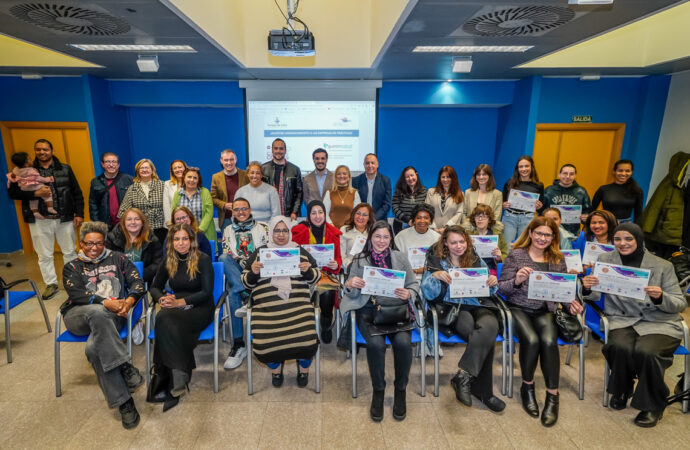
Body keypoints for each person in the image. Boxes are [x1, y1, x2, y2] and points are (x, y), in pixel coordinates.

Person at [582, 223, 687, 428]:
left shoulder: (663, 266)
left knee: (647, 352)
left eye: (628, 239)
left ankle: (653, 405)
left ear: (639, 240)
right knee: (618, 347)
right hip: (622, 318)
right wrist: (586, 287)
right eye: (618, 239)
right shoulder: (604, 261)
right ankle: (623, 388)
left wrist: (660, 297)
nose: (622, 243)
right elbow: (594, 295)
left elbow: (679, 303)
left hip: (659, 321)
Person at [497, 216, 583, 427]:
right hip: (518, 308)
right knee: (531, 340)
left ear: (554, 237)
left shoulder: (557, 258)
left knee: (548, 341)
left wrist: (573, 302)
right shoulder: (517, 255)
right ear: (531, 233)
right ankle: (528, 387)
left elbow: (564, 290)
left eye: (548, 234)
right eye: (539, 233)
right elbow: (502, 289)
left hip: (546, 309)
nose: (543, 238)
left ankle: (553, 396)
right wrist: (517, 279)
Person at [60, 221, 145, 429]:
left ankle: (124, 402)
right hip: (78, 315)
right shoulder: (72, 266)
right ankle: (125, 365)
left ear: (104, 242)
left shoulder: (118, 258)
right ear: (81, 244)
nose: (94, 248)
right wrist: (106, 302)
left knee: (94, 349)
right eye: (89, 244)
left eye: (98, 243)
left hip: (112, 316)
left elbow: (137, 283)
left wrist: (129, 301)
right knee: (98, 311)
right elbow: (77, 294)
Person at [342, 220, 420, 422]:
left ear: (391, 238)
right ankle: (378, 389)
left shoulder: (400, 258)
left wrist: (409, 292)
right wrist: (350, 284)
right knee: (375, 345)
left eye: (386, 237)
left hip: (396, 310)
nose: (382, 241)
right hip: (369, 311)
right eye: (377, 236)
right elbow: (349, 292)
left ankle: (400, 389)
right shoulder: (359, 260)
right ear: (371, 238)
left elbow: (412, 283)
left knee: (403, 344)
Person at [420, 225, 505, 412]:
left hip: (479, 304)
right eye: (453, 242)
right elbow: (426, 292)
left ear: (467, 241)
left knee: (490, 327)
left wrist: (492, 282)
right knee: (483, 339)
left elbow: (490, 290)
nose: (458, 246)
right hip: (455, 308)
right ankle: (484, 392)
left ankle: (463, 376)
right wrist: (435, 277)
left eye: (461, 241)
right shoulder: (436, 261)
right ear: (445, 244)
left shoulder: (475, 259)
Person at [241, 216, 320, 388]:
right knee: (264, 346)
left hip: (298, 308)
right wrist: (253, 272)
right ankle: (276, 369)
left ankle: (303, 368)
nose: (281, 235)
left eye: (285, 230)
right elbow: (245, 282)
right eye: (277, 230)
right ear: (271, 232)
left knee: (307, 341)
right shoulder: (260, 252)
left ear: (289, 232)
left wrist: (308, 271)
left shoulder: (299, 251)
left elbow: (316, 277)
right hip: (266, 310)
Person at [149, 223, 215, 411]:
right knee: (165, 319)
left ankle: (164, 375)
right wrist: (161, 298)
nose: (181, 243)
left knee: (164, 320)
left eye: (185, 238)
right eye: (176, 239)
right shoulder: (168, 260)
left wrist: (180, 302)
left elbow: (207, 292)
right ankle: (178, 379)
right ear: (171, 242)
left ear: (192, 240)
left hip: (200, 308)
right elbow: (154, 287)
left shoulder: (203, 259)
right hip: (176, 307)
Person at [7, 139, 84, 300]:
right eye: (38, 150)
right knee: (44, 255)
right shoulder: (24, 170)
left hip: (64, 218)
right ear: (35, 152)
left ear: (52, 151)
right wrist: (35, 194)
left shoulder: (65, 169)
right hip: (39, 220)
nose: (42, 152)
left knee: (70, 251)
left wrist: (79, 214)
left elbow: (76, 192)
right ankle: (51, 284)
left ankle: (74, 281)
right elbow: (13, 194)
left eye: (45, 149)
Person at [219, 197, 269, 370]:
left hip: (258, 272)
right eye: (237, 209)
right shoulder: (227, 230)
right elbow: (228, 252)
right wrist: (242, 266)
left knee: (232, 292)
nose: (241, 212)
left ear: (249, 210)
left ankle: (239, 343)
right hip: (237, 272)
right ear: (233, 212)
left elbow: (265, 251)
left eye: (244, 209)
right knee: (223, 258)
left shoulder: (262, 228)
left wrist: (250, 266)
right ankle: (239, 345)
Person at [292, 200, 342, 343]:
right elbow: (294, 256)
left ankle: (326, 323)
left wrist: (335, 264)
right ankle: (305, 325)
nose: (317, 216)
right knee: (300, 293)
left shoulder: (333, 233)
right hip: (304, 275)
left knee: (327, 293)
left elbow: (338, 257)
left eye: (320, 212)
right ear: (308, 216)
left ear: (325, 214)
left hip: (326, 274)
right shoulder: (299, 232)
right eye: (313, 213)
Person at [641, 152, 690, 259]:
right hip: (667, 236)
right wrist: (647, 229)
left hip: (680, 236)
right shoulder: (670, 185)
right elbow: (655, 208)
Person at [106, 207, 162, 284]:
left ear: (142, 223)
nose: (133, 222)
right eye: (129, 219)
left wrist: (139, 275)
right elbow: (107, 262)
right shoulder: (111, 238)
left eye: (137, 219)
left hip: (143, 280)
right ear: (123, 223)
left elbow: (158, 263)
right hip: (117, 281)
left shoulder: (152, 240)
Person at [117, 159, 167, 244]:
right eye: (141, 168)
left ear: (152, 170)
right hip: (141, 230)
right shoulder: (132, 188)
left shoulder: (163, 185)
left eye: (147, 167)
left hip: (161, 229)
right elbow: (122, 211)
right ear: (138, 171)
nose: (144, 170)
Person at [501, 156, 544, 243]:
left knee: (523, 247)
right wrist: (504, 205)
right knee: (506, 246)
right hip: (510, 217)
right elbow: (503, 201)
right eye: (521, 167)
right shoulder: (509, 183)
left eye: (527, 166)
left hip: (527, 218)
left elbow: (541, 204)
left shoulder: (539, 185)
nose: (524, 169)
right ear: (517, 169)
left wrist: (539, 206)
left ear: (532, 167)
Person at [542, 164, 592, 236]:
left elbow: (588, 210)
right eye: (565, 173)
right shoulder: (549, 190)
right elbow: (542, 211)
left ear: (575, 176)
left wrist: (586, 217)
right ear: (559, 175)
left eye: (571, 174)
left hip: (573, 232)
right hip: (550, 230)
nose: (568, 176)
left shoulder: (581, 191)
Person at [394, 203, 440, 279]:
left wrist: (428, 269)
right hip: (407, 277)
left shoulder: (437, 238)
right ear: (414, 220)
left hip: (430, 277)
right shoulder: (401, 236)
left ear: (430, 220)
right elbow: (396, 261)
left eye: (426, 218)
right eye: (418, 217)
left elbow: (439, 263)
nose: (422, 221)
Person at [261, 138, 303, 220]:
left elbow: (299, 193)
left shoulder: (295, 169)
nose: (278, 151)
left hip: (289, 215)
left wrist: (294, 212)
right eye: (276, 148)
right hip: (269, 215)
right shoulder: (263, 169)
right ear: (272, 150)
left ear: (285, 150)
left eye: (281, 148)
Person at [88, 152, 133, 229]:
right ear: (102, 164)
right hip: (106, 225)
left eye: (114, 162)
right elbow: (93, 204)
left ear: (118, 164)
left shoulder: (129, 180)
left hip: (126, 223)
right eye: (107, 162)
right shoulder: (96, 181)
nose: (111, 165)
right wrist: (96, 223)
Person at [592, 159, 644, 225]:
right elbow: (592, 210)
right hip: (605, 226)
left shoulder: (637, 191)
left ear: (631, 172)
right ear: (614, 171)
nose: (623, 173)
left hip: (625, 227)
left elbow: (638, 215)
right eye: (620, 170)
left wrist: (636, 231)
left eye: (627, 171)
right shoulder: (603, 189)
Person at [7, 151, 57, 219]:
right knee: (47, 191)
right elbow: (38, 178)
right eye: (29, 159)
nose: (42, 152)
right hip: (33, 186)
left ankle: (35, 212)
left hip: (24, 187)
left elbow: (11, 179)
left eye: (45, 149)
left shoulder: (15, 171)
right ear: (25, 164)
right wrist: (48, 179)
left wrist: (9, 183)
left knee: (32, 199)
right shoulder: (31, 170)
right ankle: (50, 207)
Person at [171, 167, 215, 242]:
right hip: (183, 235)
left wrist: (200, 230)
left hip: (203, 233)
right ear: (184, 178)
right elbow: (174, 213)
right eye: (189, 177)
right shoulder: (177, 194)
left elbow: (209, 213)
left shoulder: (205, 192)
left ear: (198, 180)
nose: (192, 180)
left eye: (195, 178)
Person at [211, 149, 249, 234]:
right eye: (226, 160)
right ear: (221, 161)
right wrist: (224, 205)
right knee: (228, 245)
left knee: (246, 245)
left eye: (231, 159)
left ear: (236, 160)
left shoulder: (245, 175)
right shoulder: (216, 177)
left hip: (245, 217)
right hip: (226, 219)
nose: (229, 163)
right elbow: (213, 198)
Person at [465, 204, 508, 274]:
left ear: (489, 219)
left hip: (492, 269)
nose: (480, 219)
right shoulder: (468, 235)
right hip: (472, 269)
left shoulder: (497, 234)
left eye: (484, 216)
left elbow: (505, 254)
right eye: (477, 216)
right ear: (473, 218)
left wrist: (499, 258)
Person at [352, 153, 392, 221]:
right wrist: (363, 217)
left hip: (379, 220)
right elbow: (354, 203)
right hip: (360, 220)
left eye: (372, 163)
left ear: (377, 164)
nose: (370, 165)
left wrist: (374, 218)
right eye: (367, 163)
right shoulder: (356, 181)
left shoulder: (385, 181)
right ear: (364, 165)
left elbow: (387, 204)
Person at [425, 165, 464, 233]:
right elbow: (427, 210)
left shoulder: (460, 194)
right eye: (443, 177)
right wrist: (433, 227)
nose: (445, 179)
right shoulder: (431, 192)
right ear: (440, 178)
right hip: (432, 231)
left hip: (451, 231)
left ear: (453, 178)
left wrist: (447, 227)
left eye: (448, 177)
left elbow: (459, 213)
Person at [392, 166, 428, 235]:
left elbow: (425, 208)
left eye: (412, 175)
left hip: (418, 225)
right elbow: (394, 207)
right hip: (400, 225)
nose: (410, 178)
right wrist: (408, 220)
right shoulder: (399, 190)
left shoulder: (424, 191)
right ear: (404, 179)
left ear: (416, 175)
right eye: (407, 177)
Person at [340, 203, 375, 269]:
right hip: (349, 268)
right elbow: (341, 256)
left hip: (368, 269)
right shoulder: (344, 230)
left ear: (369, 218)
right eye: (358, 213)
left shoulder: (373, 233)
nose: (360, 217)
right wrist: (351, 267)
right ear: (353, 214)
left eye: (364, 215)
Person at [163, 160, 187, 226]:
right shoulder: (167, 184)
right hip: (174, 221)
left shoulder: (191, 182)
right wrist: (169, 223)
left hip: (189, 220)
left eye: (180, 167)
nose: (178, 170)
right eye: (175, 168)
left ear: (185, 168)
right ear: (172, 171)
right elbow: (166, 205)